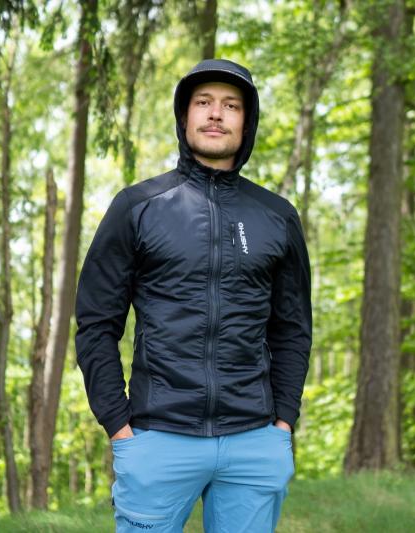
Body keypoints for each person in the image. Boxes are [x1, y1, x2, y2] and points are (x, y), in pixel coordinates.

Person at [75, 58, 312, 533]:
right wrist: (119, 428)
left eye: (231, 105)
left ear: (247, 122)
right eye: (203, 102)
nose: (216, 113)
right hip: (157, 438)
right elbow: (96, 323)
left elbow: (292, 329)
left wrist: (283, 424)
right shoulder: (137, 207)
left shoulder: (277, 216)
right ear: (185, 116)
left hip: (254, 441)